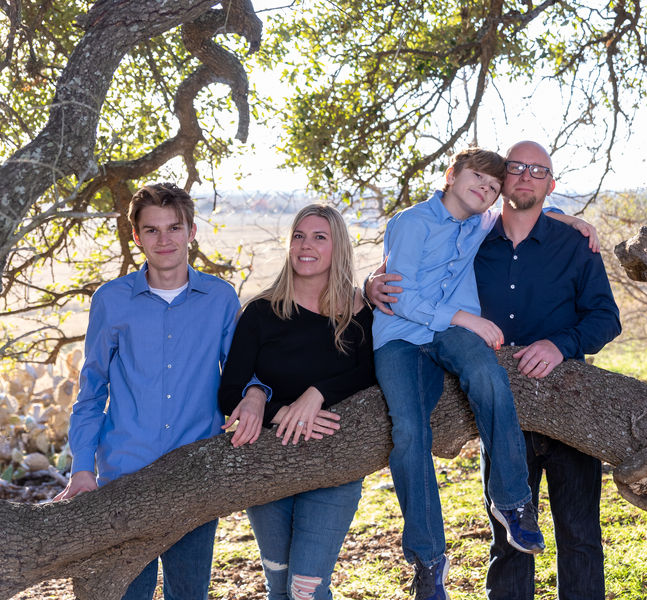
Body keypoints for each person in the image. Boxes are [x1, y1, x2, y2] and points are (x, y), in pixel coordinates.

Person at [369, 141, 621, 600]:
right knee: (508, 547)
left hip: (568, 403)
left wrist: (560, 344)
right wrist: (370, 285)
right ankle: (436, 556)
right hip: (500, 409)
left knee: (581, 535)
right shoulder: (476, 233)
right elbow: (409, 270)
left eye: (538, 171)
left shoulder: (575, 244)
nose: (525, 176)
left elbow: (607, 319)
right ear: (503, 184)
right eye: (516, 168)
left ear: (550, 184)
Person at [55, 182, 241, 600]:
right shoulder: (111, 300)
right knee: (127, 593)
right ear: (136, 237)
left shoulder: (221, 298)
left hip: (196, 472)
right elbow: (92, 390)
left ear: (191, 231)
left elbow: (241, 377)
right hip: (125, 475)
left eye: (174, 228)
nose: (164, 239)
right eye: (152, 230)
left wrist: (254, 397)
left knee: (189, 594)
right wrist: (82, 466)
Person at [217, 204, 376, 600]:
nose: (306, 245)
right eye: (299, 236)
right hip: (267, 462)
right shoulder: (260, 313)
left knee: (306, 589)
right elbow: (229, 392)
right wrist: (273, 406)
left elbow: (372, 376)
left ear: (338, 248)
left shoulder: (360, 313)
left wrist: (317, 394)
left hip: (335, 464)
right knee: (279, 587)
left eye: (320, 237)